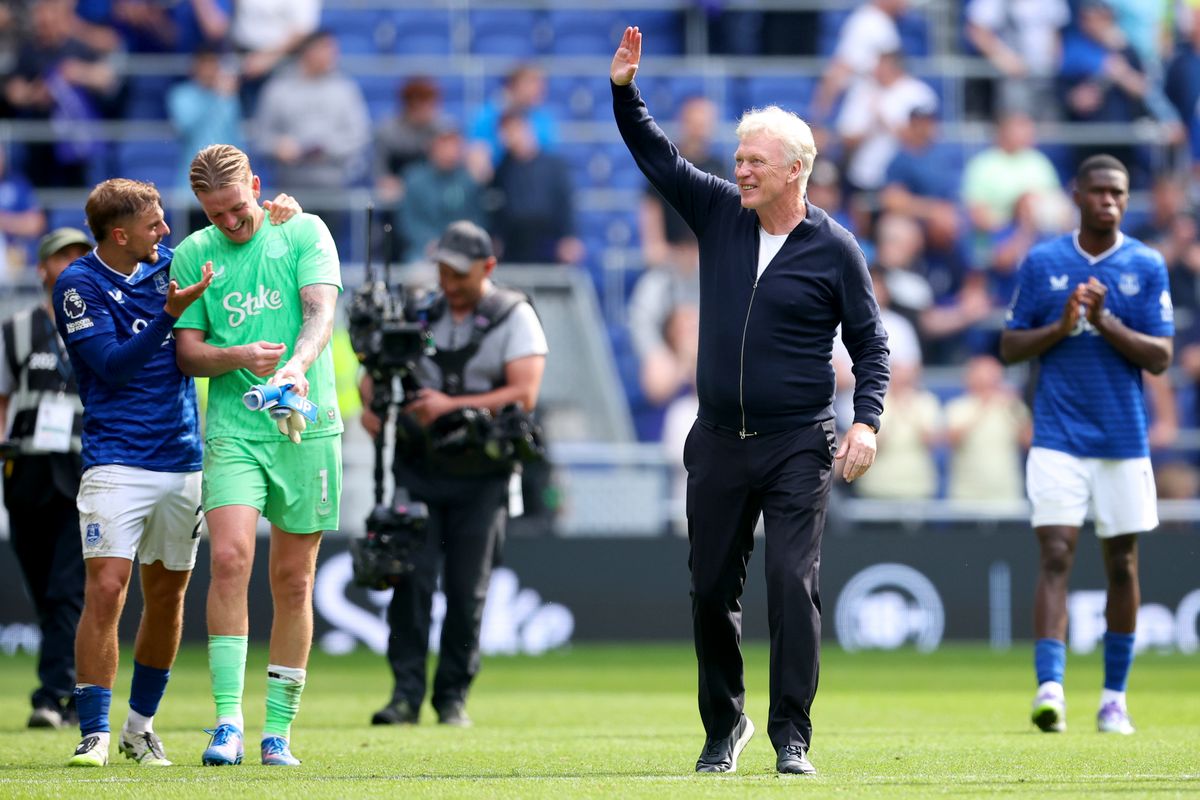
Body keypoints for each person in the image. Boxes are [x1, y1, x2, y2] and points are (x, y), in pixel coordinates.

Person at [610, 27, 890, 775]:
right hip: (717, 442)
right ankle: (723, 725)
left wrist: (866, 421)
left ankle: (791, 736)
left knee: (791, 586)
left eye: (754, 161)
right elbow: (657, 156)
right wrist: (624, 93)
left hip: (799, 442)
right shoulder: (719, 212)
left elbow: (872, 346)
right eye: (737, 159)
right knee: (709, 591)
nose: (739, 171)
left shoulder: (836, 249)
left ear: (796, 170)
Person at [52, 179, 300, 768]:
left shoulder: (175, 264)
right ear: (120, 234)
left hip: (183, 458)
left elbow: (245, 249)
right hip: (115, 460)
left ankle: (140, 729)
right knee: (107, 589)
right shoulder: (78, 285)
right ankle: (92, 732)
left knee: (166, 599)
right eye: (154, 224)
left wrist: (283, 216)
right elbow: (111, 367)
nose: (166, 231)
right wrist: (169, 315)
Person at [172, 143, 343, 768]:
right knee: (230, 558)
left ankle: (278, 731)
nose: (231, 223)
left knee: (294, 579)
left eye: (239, 209)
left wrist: (295, 366)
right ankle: (226, 723)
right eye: (216, 215)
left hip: (308, 425)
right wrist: (240, 358)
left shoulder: (303, 230)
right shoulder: (193, 253)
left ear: (257, 187)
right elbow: (188, 351)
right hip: (234, 428)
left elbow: (321, 310)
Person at [999, 154, 1174, 736]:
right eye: (1099, 191)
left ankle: (1114, 697)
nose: (1109, 201)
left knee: (1121, 564)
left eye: (1119, 193)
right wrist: (1061, 324)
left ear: (1127, 199)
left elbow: (1160, 356)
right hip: (1056, 435)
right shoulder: (1044, 262)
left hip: (1123, 439)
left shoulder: (1146, 265)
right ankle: (1050, 689)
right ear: (1076, 194)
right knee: (1055, 555)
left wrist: (1103, 322)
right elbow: (1009, 347)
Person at [363, 220, 548, 728]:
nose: (448, 281)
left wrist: (450, 405)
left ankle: (452, 698)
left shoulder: (514, 315)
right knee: (409, 582)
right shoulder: (420, 310)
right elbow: (375, 374)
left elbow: (524, 395)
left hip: (484, 475)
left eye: (459, 273)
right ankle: (403, 695)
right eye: (442, 270)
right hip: (419, 467)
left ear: (488, 268)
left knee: (469, 591)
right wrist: (372, 406)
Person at [0, 228, 91, 730]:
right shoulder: (15, 328)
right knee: (42, 585)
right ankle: (77, 689)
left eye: (81, 255)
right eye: (63, 256)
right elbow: (2, 396)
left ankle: (53, 692)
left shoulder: (102, 324)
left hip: (83, 463)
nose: (72, 263)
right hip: (28, 465)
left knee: (66, 587)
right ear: (42, 269)